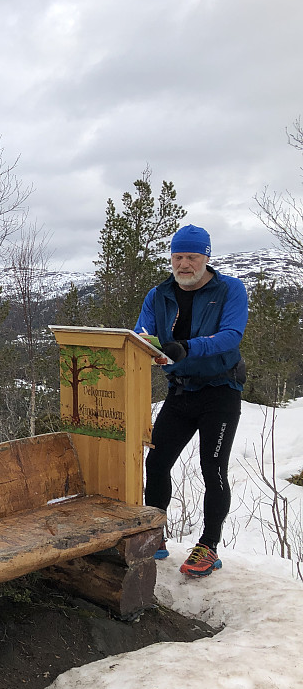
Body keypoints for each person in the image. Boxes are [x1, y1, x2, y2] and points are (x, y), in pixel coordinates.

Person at [135, 224, 248, 577]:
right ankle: (154, 534)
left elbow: (230, 336)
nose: (184, 264)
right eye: (178, 256)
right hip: (181, 391)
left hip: (220, 391)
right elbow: (143, 331)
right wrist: (147, 346)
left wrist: (186, 348)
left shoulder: (230, 289)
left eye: (192, 257)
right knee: (156, 464)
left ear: (206, 257)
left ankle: (208, 546)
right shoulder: (159, 294)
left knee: (212, 468)